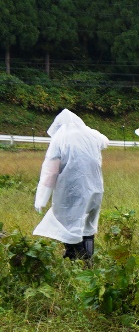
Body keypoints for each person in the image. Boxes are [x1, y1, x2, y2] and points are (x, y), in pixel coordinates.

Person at [32, 109, 109, 260]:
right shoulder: (91, 134)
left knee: (67, 226)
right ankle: (83, 258)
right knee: (88, 226)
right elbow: (105, 141)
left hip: (72, 191)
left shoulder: (60, 138)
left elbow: (50, 173)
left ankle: (81, 259)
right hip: (95, 189)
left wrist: (41, 199)